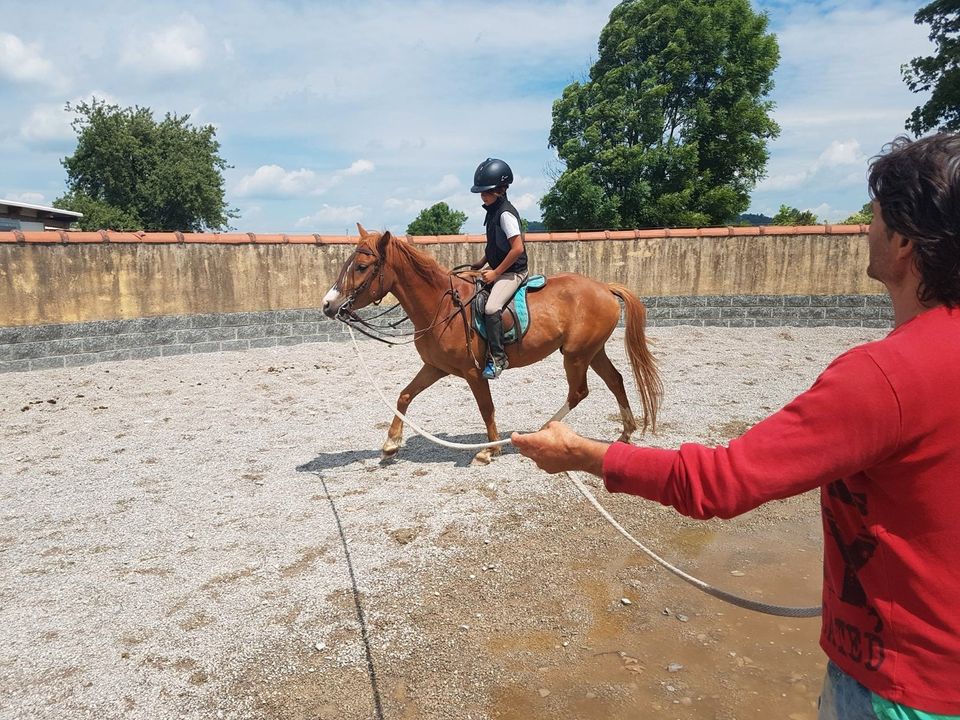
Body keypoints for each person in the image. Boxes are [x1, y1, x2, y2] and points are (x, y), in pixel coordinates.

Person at [511, 133, 960, 719]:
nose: (863, 231)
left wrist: (585, 454)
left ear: (903, 242)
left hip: (903, 688)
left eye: (872, 219)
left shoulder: (884, 377)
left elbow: (724, 480)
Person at [469, 157, 528, 380]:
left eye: (486, 192)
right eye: (481, 192)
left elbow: (517, 249)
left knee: (492, 308)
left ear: (501, 190)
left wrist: (495, 273)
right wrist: (481, 263)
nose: (482, 196)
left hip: (513, 272)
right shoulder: (492, 211)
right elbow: (496, 244)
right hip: (497, 268)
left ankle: (498, 358)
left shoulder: (505, 214)